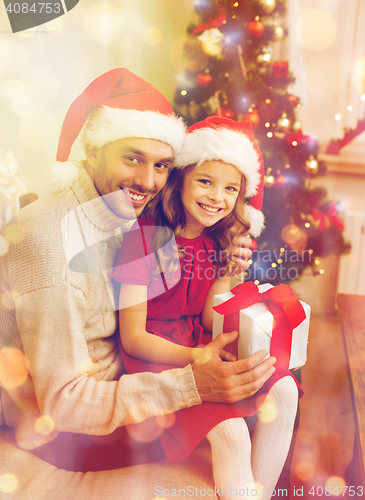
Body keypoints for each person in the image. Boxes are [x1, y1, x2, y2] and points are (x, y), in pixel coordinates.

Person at [0, 68, 276, 497]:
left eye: (162, 165)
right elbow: (63, 404)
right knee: (232, 429)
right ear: (92, 151)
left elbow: (181, 280)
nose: (148, 182)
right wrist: (189, 384)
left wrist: (227, 261)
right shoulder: (50, 240)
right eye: (132, 158)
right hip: (68, 433)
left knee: (270, 390)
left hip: (126, 381)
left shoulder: (127, 215)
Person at [112, 117, 302, 499]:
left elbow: (206, 319)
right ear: (181, 179)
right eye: (205, 181)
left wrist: (228, 274)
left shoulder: (217, 240)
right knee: (232, 434)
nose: (218, 197)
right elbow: (132, 338)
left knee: (285, 393)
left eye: (230, 188)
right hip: (157, 354)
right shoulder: (143, 239)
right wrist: (197, 357)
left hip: (199, 340)